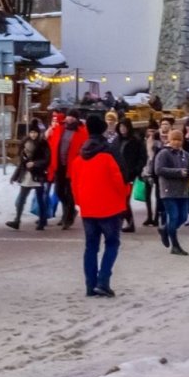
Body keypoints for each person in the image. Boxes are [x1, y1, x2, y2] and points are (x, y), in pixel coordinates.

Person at [73, 114, 129, 297]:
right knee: (112, 243)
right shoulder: (109, 154)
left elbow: (74, 184)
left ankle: (90, 285)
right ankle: (103, 281)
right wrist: (124, 194)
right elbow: (119, 180)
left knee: (91, 247)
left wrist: (80, 203)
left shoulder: (80, 157)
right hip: (110, 207)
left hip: (88, 209)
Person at [152, 129, 189, 256]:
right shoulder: (163, 153)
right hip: (168, 191)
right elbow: (158, 170)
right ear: (169, 140)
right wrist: (178, 172)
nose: (177, 142)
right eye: (174, 140)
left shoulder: (186, 155)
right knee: (174, 216)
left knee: (183, 217)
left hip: (183, 191)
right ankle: (175, 245)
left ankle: (164, 229)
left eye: (179, 140)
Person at [47, 110, 88, 230]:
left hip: (73, 167)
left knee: (70, 193)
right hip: (59, 165)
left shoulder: (82, 132)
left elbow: (84, 149)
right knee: (59, 191)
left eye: (72, 117)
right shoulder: (59, 128)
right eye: (69, 116)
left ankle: (67, 218)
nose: (70, 119)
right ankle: (69, 211)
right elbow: (51, 142)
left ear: (76, 119)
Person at [8, 121, 52, 230]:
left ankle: (42, 221)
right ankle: (17, 220)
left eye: (35, 132)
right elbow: (21, 163)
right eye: (31, 132)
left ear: (38, 133)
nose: (33, 134)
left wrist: (35, 163)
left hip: (38, 175)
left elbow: (47, 159)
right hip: (26, 175)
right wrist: (15, 176)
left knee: (40, 199)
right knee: (21, 199)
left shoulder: (43, 143)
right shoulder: (24, 143)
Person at [112, 118, 146, 233]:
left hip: (129, 174)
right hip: (117, 174)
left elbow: (142, 157)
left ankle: (125, 222)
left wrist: (136, 170)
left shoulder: (135, 141)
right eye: (121, 127)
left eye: (124, 127)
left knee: (125, 199)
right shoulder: (116, 141)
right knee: (119, 199)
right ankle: (127, 222)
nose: (122, 129)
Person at [140, 121, 161, 227]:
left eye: (154, 131)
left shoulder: (159, 142)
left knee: (158, 195)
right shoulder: (144, 142)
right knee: (147, 195)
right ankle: (149, 216)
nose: (151, 133)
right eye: (150, 131)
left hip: (157, 170)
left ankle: (156, 217)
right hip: (147, 170)